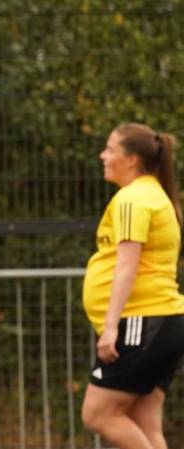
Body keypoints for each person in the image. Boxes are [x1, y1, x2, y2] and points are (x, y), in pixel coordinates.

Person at [81, 123, 184, 449]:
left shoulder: (133, 199)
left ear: (132, 160)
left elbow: (127, 265)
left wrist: (110, 327)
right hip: (161, 321)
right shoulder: (154, 195)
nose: (103, 155)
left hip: (142, 321)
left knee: (97, 414)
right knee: (145, 422)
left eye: (110, 149)